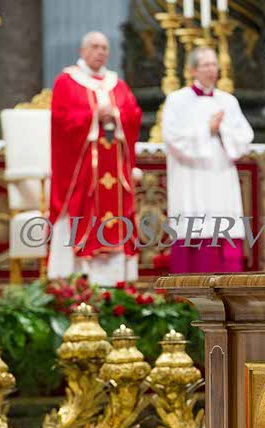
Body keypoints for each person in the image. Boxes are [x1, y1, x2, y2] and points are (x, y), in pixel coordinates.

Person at [48, 31, 142, 286]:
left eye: (104, 47)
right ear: (82, 51)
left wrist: (117, 115)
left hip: (114, 168)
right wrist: (93, 115)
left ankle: (115, 282)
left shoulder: (116, 84)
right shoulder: (67, 81)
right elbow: (61, 121)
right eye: (94, 46)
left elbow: (134, 114)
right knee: (83, 212)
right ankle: (75, 283)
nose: (100, 52)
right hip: (82, 172)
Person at [162, 47, 253, 273]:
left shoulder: (228, 101)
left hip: (221, 177)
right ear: (193, 70)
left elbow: (244, 137)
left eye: (214, 64)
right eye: (206, 65)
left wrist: (222, 131)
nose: (212, 70)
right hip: (191, 179)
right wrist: (206, 130)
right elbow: (172, 138)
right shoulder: (177, 100)